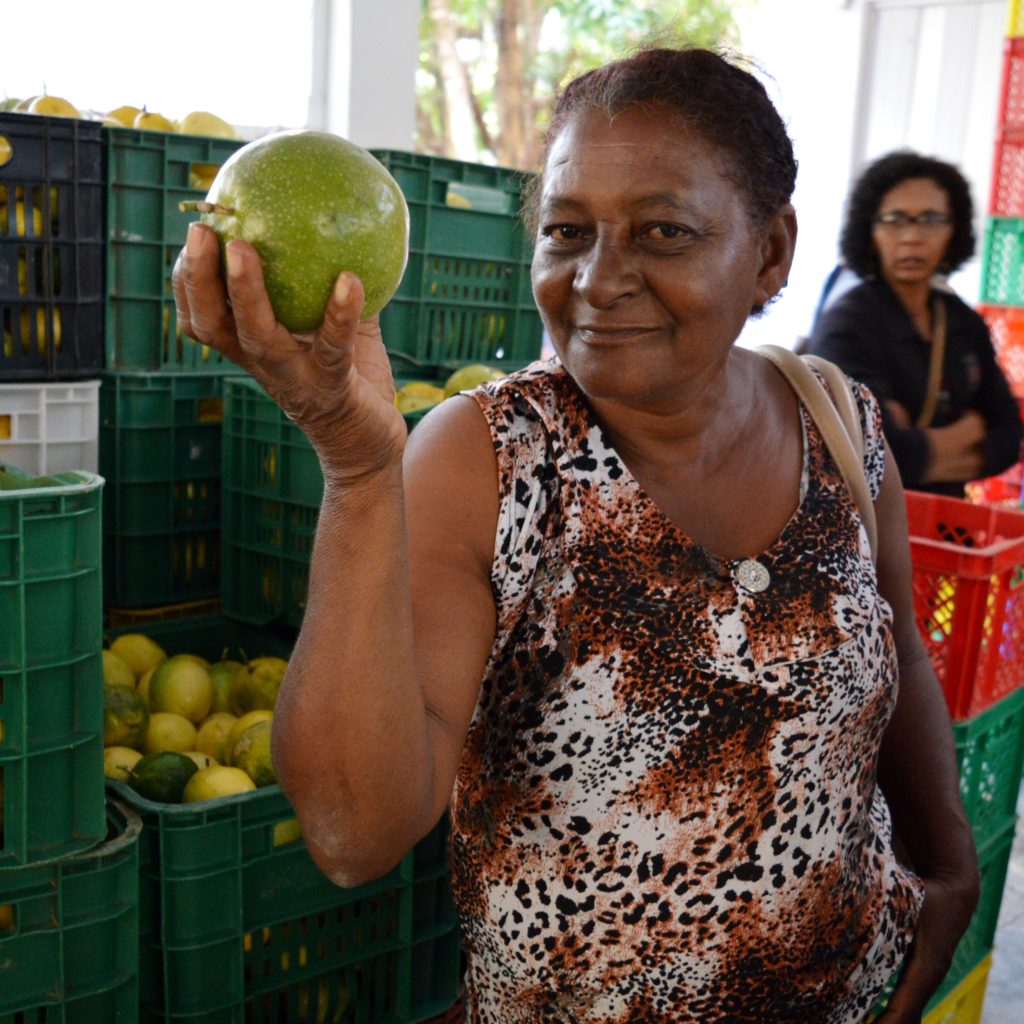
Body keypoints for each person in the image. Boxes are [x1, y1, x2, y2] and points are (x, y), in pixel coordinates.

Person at [173, 47, 978, 1024]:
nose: (598, 280)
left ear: (769, 252)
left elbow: (897, 643)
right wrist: (355, 466)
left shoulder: (837, 419)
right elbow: (353, 831)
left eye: (661, 232)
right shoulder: (489, 458)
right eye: (566, 231)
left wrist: (950, 868)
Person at [805, 151, 1022, 497]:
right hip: (862, 527)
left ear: (955, 229)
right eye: (894, 220)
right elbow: (865, 453)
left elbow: (1010, 435)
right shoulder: (848, 324)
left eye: (931, 220)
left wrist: (916, 448)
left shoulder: (963, 323)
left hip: (943, 526)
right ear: (870, 230)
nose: (912, 236)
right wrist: (969, 430)